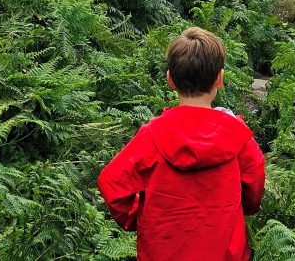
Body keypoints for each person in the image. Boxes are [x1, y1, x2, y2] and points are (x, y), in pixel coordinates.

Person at [98, 27, 266, 261]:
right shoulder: (238, 137)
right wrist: (239, 211)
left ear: (170, 80)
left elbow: (111, 183)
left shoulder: (152, 135)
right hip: (224, 251)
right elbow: (254, 189)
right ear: (220, 78)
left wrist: (136, 217)